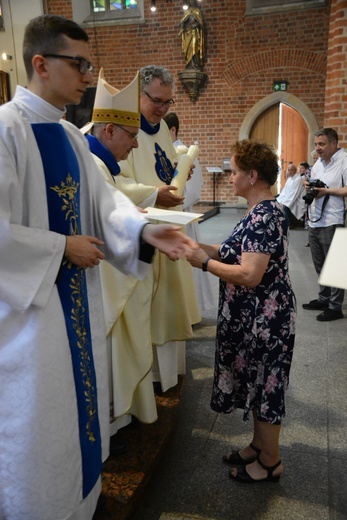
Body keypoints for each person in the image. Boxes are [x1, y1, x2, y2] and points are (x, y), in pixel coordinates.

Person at [0, 15, 197, 520]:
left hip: (74, 307)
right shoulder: (6, 131)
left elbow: (106, 203)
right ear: (41, 64)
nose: (88, 76)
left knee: (75, 409)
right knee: (39, 418)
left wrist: (144, 231)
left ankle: (79, 501)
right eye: (79, 64)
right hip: (31, 320)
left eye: (89, 65)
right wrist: (59, 247)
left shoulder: (68, 137)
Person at [187, 139, 296, 483]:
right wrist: (191, 244)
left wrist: (204, 263)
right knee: (255, 381)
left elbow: (250, 274)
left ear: (252, 175)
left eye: (234, 172)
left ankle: (271, 461)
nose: (230, 177)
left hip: (267, 320)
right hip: (252, 318)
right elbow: (231, 250)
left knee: (266, 385)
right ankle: (257, 446)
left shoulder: (266, 214)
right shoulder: (256, 211)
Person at [82, 68, 158, 436]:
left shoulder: (97, 162)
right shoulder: (92, 164)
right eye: (132, 135)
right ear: (109, 130)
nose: (136, 145)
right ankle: (111, 425)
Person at [116, 65, 201, 392]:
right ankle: (145, 381)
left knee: (166, 309)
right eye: (156, 101)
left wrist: (180, 174)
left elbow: (164, 168)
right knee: (144, 312)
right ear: (139, 93)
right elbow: (109, 181)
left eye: (168, 102)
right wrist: (154, 194)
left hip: (167, 228)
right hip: (138, 235)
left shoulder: (162, 127)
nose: (163, 109)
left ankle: (167, 375)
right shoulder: (119, 125)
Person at [164, 111, 217, 312]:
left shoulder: (187, 154)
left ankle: (189, 311)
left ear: (173, 130)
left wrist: (174, 202)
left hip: (182, 217)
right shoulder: (164, 152)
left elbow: (193, 192)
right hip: (167, 218)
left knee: (187, 267)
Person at [302, 127, 347, 321]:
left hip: (334, 219)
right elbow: (314, 182)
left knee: (335, 266)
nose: (318, 148)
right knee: (320, 264)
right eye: (316, 144)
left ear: (334, 143)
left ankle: (335, 307)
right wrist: (308, 184)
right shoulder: (318, 163)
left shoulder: (344, 161)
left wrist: (327, 192)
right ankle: (324, 298)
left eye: (322, 144)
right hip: (316, 219)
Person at [276, 162, 306, 228]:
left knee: (285, 207)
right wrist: (280, 199)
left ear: (295, 170)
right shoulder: (290, 179)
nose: (289, 172)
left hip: (297, 200)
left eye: (291, 170)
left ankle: (290, 224)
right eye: (288, 170)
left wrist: (284, 202)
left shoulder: (298, 179)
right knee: (276, 201)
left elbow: (294, 194)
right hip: (290, 198)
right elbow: (285, 191)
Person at [179, 5, 204, 69]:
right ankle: (189, 64)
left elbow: (200, 23)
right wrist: (183, 28)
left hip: (195, 33)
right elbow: (182, 21)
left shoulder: (197, 10)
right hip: (188, 33)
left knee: (194, 47)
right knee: (188, 48)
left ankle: (195, 64)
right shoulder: (187, 11)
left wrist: (195, 25)